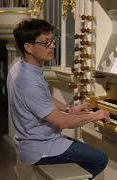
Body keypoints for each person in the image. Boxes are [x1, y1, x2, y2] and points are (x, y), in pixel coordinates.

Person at [7, 18, 110, 178]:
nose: (53, 46)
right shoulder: (29, 81)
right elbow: (62, 122)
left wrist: (71, 109)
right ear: (28, 47)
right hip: (40, 147)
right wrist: (95, 115)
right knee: (100, 159)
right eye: (46, 42)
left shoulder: (18, 66)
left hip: (31, 141)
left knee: (81, 149)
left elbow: (44, 98)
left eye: (53, 41)